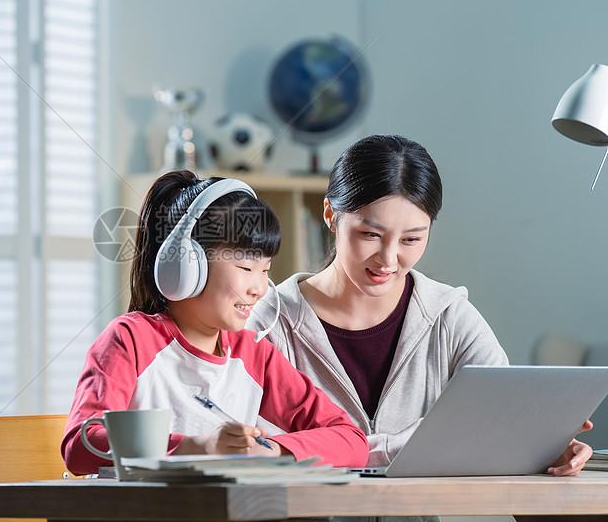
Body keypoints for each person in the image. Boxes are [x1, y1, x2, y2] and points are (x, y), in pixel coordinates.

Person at [247, 134, 593, 476]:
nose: (388, 259)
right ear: (330, 215)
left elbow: (500, 421)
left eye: (411, 239)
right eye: (370, 234)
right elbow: (256, 450)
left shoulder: (448, 315)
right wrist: (416, 442)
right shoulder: (269, 320)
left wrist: (544, 445)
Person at [62, 170, 369, 475]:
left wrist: (275, 449)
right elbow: (79, 446)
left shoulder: (255, 355)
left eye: (266, 270)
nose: (260, 288)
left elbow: (352, 440)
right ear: (186, 265)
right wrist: (195, 447)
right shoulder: (130, 340)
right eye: (246, 267)